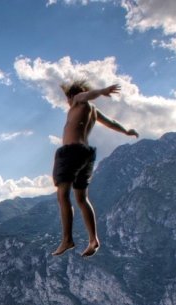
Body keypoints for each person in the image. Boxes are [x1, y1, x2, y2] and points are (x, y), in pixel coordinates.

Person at [52, 80, 139, 257]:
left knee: (62, 195)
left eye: (68, 99)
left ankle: (67, 239)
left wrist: (102, 91)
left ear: (71, 96)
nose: (68, 103)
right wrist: (126, 131)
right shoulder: (93, 111)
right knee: (82, 198)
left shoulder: (78, 100)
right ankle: (93, 239)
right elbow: (111, 122)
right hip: (86, 154)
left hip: (71, 152)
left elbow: (86, 95)